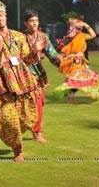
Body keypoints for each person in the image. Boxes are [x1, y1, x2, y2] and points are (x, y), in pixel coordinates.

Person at [0, 2, 38, 162]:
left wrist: (35, 51)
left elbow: (26, 59)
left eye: (1, 14)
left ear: (6, 16)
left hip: (21, 82)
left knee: (25, 118)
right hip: (1, 83)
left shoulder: (18, 36)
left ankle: (19, 139)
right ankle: (17, 150)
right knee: (8, 118)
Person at [22, 9, 61, 143]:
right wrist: (33, 51)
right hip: (24, 75)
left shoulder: (43, 37)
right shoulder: (20, 38)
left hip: (39, 76)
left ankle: (34, 128)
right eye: (31, 21)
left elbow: (52, 54)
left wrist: (63, 62)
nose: (34, 23)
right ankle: (37, 133)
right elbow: (17, 58)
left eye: (36, 20)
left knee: (41, 102)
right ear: (25, 23)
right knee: (36, 102)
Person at [54, 18, 99, 103]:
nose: (79, 28)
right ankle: (70, 97)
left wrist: (86, 26)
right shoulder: (70, 37)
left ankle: (71, 96)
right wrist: (74, 55)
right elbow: (66, 52)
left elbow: (93, 35)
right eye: (78, 27)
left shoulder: (82, 35)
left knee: (83, 79)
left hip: (81, 63)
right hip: (74, 63)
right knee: (76, 80)